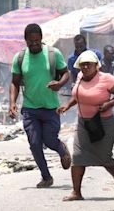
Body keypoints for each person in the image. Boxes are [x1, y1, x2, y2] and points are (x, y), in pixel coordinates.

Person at [57, 50, 114, 201]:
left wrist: (109, 104)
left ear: (96, 65)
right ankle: (76, 192)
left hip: (104, 124)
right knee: (77, 156)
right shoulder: (80, 77)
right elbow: (77, 96)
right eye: (82, 65)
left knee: (104, 157)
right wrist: (67, 106)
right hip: (83, 123)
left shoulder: (106, 79)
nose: (85, 67)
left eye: (89, 64)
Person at [9, 23, 71, 188]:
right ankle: (46, 177)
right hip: (30, 108)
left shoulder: (53, 54)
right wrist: (12, 103)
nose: (34, 44)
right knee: (35, 143)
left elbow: (66, 73)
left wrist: (59, 84)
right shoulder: (20, 58)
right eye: (31, 41)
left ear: (41, 38)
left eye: (37, 40)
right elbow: (14, 82)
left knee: (50, 140)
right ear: (26, 40)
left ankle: (61, 148)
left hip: (51, 107)